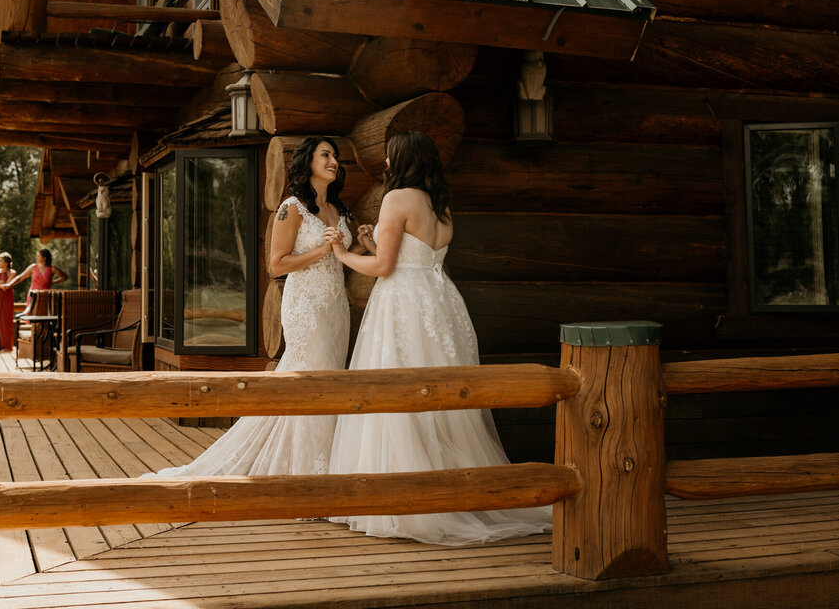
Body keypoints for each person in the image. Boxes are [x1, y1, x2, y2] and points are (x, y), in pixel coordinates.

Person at [327, 130, 551, 545]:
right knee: (442, 401)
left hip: (403, 305)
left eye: (391, 156)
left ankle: (402, 497)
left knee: (397, 390)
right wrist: (374, 242)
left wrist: (344, 253)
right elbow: (417, 253)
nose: (387, 163)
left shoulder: (397, 199)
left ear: (404, 159)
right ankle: (454, 489)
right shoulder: (442, 206)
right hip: (441, 302)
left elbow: (384, 268)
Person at [145, 136, 355, 478]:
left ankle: (327, 466)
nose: (334, 161)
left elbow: (345, 260)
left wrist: (365, 243)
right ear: (309, 162)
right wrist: (321, 251)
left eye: (336, 156)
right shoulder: (291, 207)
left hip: (335, 306)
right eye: (326, 154)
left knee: (331, 377)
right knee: (308, 381)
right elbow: (276, 265)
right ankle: (306, 475)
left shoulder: (340, 210)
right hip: (306, 306)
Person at [6, 248, 68, 314]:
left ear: (44, 258)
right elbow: (20, 277)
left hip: (45, 297)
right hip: (33, 296)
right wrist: (9, 284)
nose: (36, 258)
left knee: (44, 317)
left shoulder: (52, 269)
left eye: (38, 256)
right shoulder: (33, 267)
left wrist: (53, 282)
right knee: (32, 316)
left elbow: (64, 277)